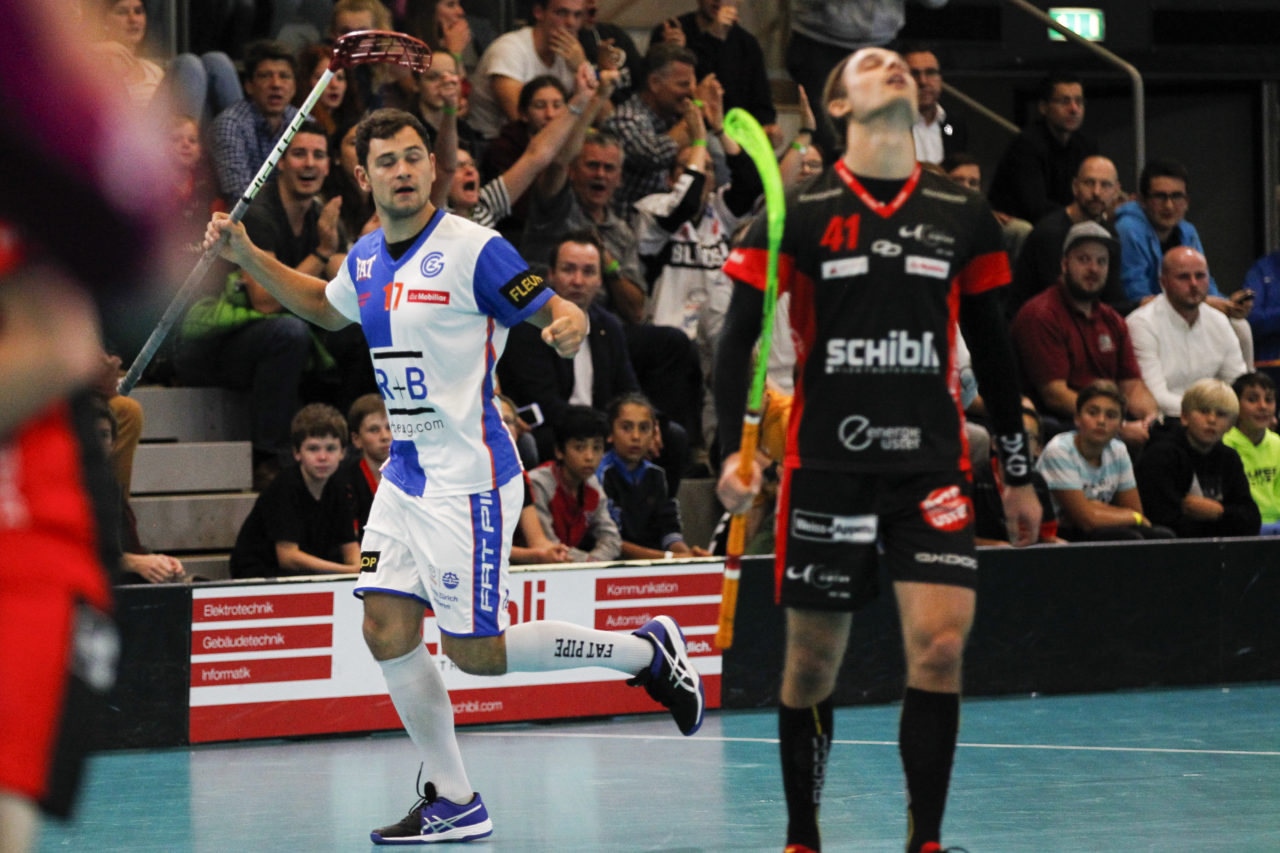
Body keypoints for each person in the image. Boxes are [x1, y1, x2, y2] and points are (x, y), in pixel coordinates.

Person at [201, 107, 705, 844]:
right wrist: (246, 255)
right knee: (384, 625)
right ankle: (456, 796)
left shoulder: (475, 250)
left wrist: (566, 322)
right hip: (405, 475)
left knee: (477, 653)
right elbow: (323, 306)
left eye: (414, 156)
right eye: (387, 161)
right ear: (364, 175)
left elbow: (550, 305)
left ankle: (646, 653)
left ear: (432, 167)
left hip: (468, 479)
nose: (403, 170)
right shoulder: (365, 258)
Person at [715, 46, 1039, 853]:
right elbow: (734, 341)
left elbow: (994, 349)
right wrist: (731, 451)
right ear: (839, 105)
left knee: (940, 645)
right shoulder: (798, 210)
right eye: (870, 66)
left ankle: (925, 840)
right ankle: (802, 836)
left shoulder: (962, 210)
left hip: (931, 468)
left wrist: (1018, 469)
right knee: (810, 667)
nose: (891, 68)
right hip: (826, 469)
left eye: (899, 62)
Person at [174, 122, 341, 485]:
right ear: (280, 161)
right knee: (289, 333)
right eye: (299, 154)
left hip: (261, 340)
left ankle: (348, 445)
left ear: (329, 165)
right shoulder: (258, 212)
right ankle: (270, 459)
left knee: (352, 329)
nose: (309, 163)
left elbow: (344, 285)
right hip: (211, 344)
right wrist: (321, 253)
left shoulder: (321, 214)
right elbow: (264, 301)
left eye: (318, 155)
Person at [1011, 220, 1160, 443]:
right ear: (1064, 264)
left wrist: (1151, 419)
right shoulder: (1041, 314)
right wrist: (1117, 426)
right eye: (1084, 259)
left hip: (1106, 418)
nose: (1093, 269)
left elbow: (1131, 385)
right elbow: (1055, 395)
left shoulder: (1113, 320)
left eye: (1101, 261)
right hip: (1061, 424)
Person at [1113, 158, 1256, 368]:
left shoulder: (1188, 231)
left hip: (1188, 309)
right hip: (1146, 318)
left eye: (1176, 196)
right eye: (1160, 196)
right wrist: (1207, 303)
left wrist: (1229, 305)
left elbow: (1206, 285)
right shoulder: (1127, 229)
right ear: (1142, 200)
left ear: (1187, 201)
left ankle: (1248, 385)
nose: (1169, 205)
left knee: (1239, 325)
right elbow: (1137, 297)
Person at [229, 403, 361, 578]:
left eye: (331, 448)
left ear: (342, 453)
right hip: (259, 577)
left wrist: (361, 569)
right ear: (297, 453)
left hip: (307, 577)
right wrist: (348, 572)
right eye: (313, 449)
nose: (323, 457)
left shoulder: (338, 486)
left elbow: (350, 546)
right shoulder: (284, 486)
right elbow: (288, 557)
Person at [1035, 380, 1172, 541]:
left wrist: (1095, 508)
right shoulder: (1059, 450)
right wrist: (1131, 516)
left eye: (1111, 415)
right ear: (1077, 418)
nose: (1101, 420)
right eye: (1093, 413)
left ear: (1121, 424)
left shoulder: (1118, 450)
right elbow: (1086, 521)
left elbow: (1135, 510)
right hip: (1059, 534)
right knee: (1127, 538)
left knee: (1162, 536)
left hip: (1098, 527)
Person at [601, 42, 721, 216]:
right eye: (683, 84)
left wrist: (717, 126)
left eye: (693, 85)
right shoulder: (625, 119)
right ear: (655, 83)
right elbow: (653, 156)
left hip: (673, 224)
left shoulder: (672, 119)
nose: (691, 92)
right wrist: (693, 117)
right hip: (633, 226)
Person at [1127, 247, 1248, 417]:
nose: (1193, 284)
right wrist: (1208, 412)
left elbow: (1238, 384)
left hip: (1216, 420)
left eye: (1200, 276)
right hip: (1166, 423)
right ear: (1164, 282)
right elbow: (1155, 397)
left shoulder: (1219, 321)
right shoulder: (1141, 324)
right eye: (1183, 277)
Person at [1135, 378, 1260, 538]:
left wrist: (1218, 512)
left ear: (1231, 425)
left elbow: (1252, 520)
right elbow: (1161, 518)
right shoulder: (1159, 455)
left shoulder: (1230, 458)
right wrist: (1226, 519)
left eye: (1221, 414)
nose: (1212, 420)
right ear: (1184, 416)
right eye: (1204, 411)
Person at [597, 392, 711, 559]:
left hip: (654, 563)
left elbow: (669, 531)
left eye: (644, 428)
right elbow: (611, 541)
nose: (636, 436)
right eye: (626, 427)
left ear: (654, 433)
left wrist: (688, 555)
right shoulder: (600, 475)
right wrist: (670, 558)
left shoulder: (657, 475)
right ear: (610, 433)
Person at [1009, 155, 1125, 316]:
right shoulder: (1049, 233)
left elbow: (1112, 297)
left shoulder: (1109, 234)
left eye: (1105, 185)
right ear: (1075, 186)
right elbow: (1063, 303)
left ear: (1116, 191)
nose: (1096, 192)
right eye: (1089, 183)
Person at [648, 0, 778, 142]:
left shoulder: (748, 44)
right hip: (685, 134)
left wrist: (768, 129)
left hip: (735, 138)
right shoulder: (672, 31)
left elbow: (763, 106)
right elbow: (667, 96)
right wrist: (712, 38)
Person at [987, 71, 1098, 224]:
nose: (1074, 109)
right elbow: (1034, 207)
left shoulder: (1086, 145)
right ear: (1043, 107)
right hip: (1021, 226)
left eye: (1079, 102)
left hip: (1065, 222)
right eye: (1064, 102)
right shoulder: (1026, 145)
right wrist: (1082, 215)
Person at [466, 0, 586, 140]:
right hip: (491, 142)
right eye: (561, 13)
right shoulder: (509, 49)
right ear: (538, 12)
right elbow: (524, 122)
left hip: (545, 141)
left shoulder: (573, 56)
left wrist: (582, 66)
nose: (571, 23)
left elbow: (600, 116)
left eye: (577, 15)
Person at [207, 39, 300, 203]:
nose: (276, 84)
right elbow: (240, 196)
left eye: (284, 76)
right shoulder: (230, 125)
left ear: (294, 87)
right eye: (265, 76)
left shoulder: (303, 121)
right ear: (249, 86)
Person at [527, 405, 622, 561]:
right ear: (559, 451)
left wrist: (594, 562)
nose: (589, 457)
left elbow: (611, 539)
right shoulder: (537, 483)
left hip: (576, 566)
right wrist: (587, 563)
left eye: (597, 448)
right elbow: (548, 547)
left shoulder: (592, 484)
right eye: (579, 447)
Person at [1222, 372, 1280, 535]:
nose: (1263, 406)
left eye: (1269, 400)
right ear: (1236, 405)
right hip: (1240, 530)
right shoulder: (1224, 445)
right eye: (1253, 399)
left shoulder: (1277, 444)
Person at [900, 44, 967, 165]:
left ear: (940, 78)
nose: (923, 81)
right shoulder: (887, 125)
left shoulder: (953, 125)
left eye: (930, 72)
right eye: (914, 74)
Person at [339, 393, 392, 539]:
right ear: (356, 439)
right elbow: (350, 541)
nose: (385, 436)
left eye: (390, 427)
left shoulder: (415, 476)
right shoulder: (345, 482)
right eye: (374, 430)